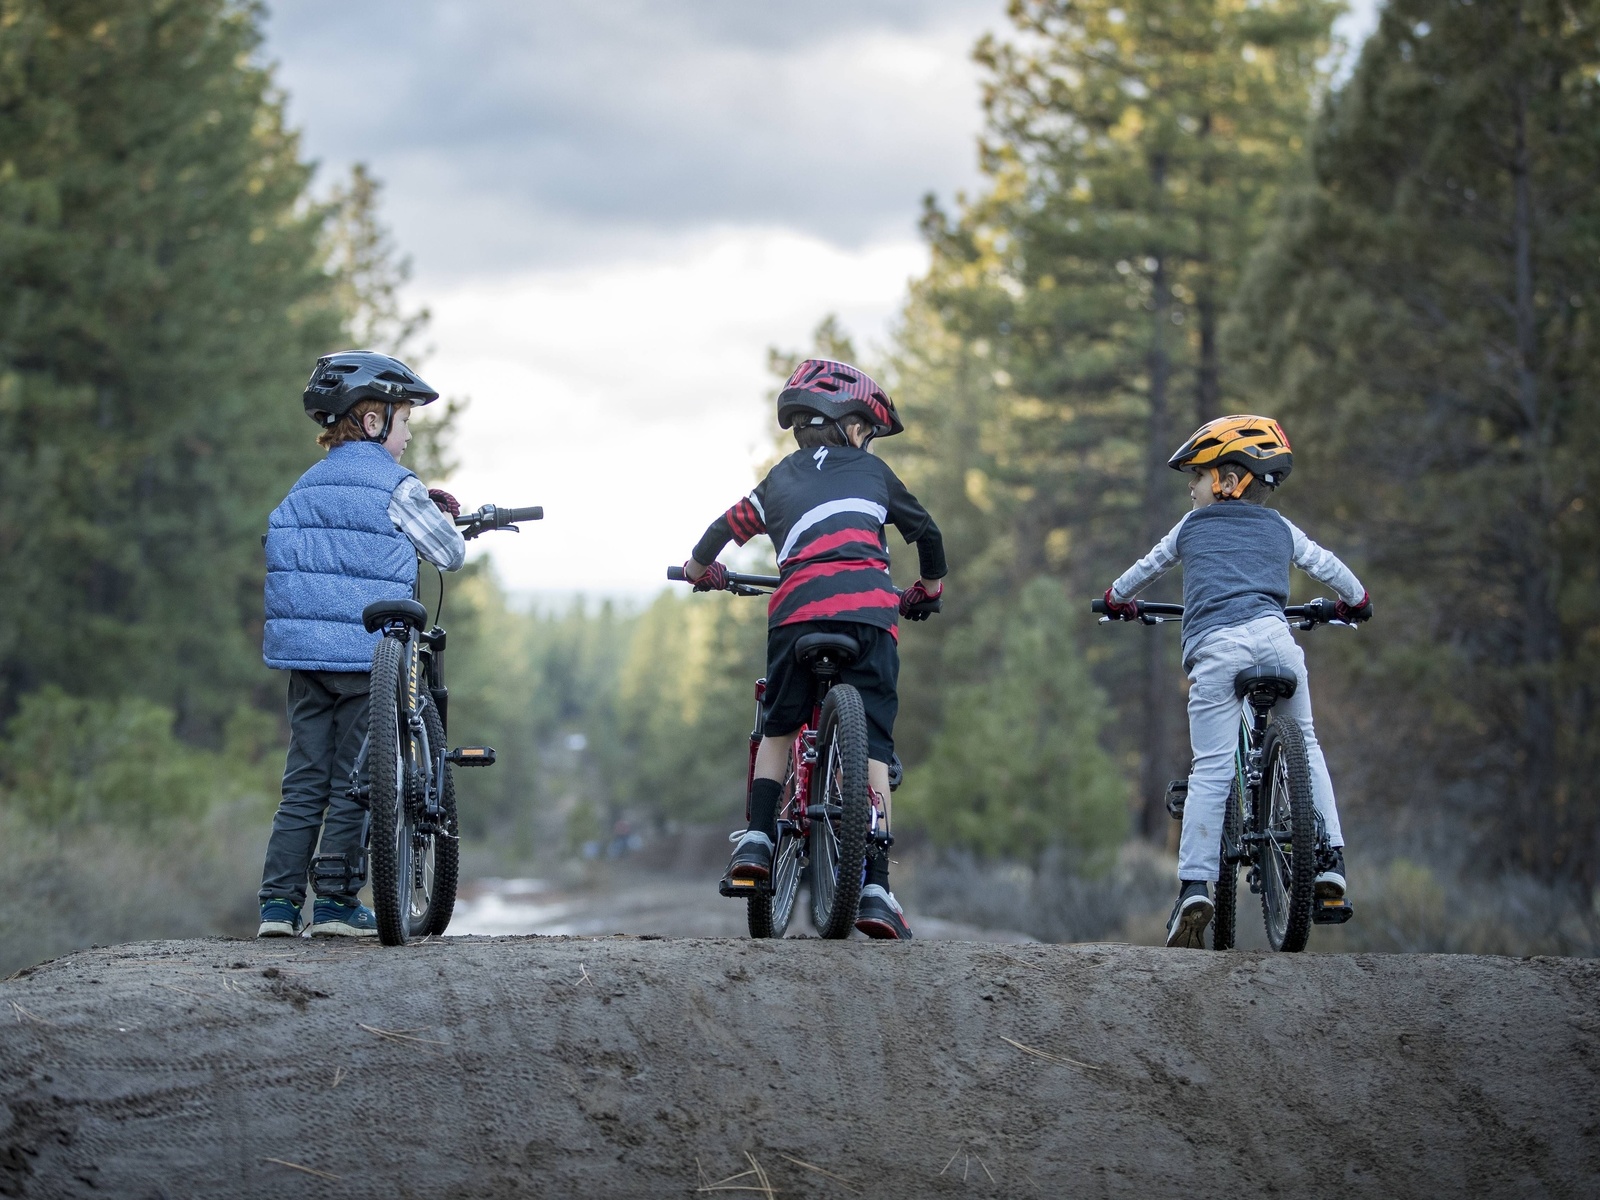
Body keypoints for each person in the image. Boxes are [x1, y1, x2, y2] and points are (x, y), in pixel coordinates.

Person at [683, 359, 946, 940]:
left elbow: (724, 527)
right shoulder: (876, 476)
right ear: (853, 427)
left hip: (796, 612)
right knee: (874, 742)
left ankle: (757, 837)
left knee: (778, 727)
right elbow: (926, 532)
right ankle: (876, 889)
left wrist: (699, 570)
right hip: (872, 615)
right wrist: (928, 589)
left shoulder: (779, 478)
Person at [1102, 415, 1370, 949]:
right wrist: (1355, 603)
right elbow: (1332, 568)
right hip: (1278, 642)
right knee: (1308, 742)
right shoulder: (1280, 528)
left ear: (1229, 478)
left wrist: (1117, 599)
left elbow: (1142, 570)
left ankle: (1195, 887)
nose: (1190, 487)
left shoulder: (1189, 528)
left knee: (1213, 767)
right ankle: (1330, 861)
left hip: (1216, 650)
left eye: (1197, 476)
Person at [255, 351, 466, 938]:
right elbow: (449, 553)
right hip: (364, 658)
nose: (407, 439)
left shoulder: (303, 487)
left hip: (305, 660)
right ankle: (335, 903)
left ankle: (276, 907)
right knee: (359, 776)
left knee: (303, 781)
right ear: (374, 423)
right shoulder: (397, 486)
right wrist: (437, 513)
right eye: (404, 424)